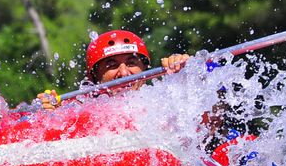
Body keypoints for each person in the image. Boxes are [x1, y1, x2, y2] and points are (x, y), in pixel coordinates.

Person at [38, 30, 189, 109]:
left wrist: (186, 76)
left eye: (131, 63)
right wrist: (49, 114)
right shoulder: (80, 112)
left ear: (144, 69)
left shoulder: (164, 105)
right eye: (112, 66)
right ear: (95, 77)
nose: (124, 73)